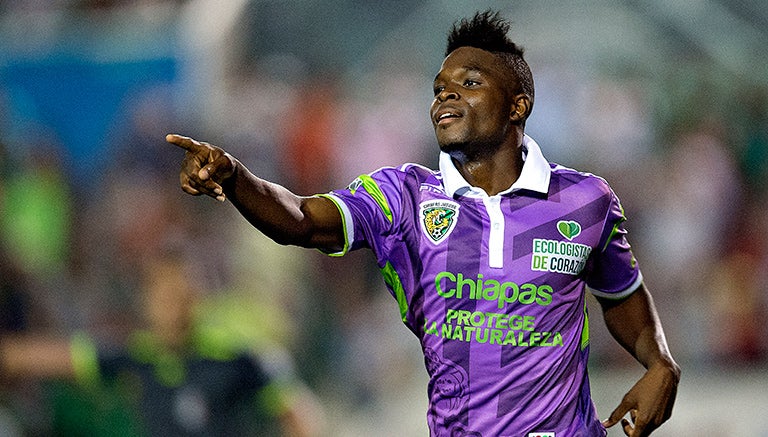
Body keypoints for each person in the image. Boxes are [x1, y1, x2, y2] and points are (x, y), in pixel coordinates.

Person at [166, 10, 680, 437]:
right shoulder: (404, 198)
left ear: (518, 106)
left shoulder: (584, 200)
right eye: (439, 88)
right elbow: (300, 219)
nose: (445, 96)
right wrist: (234, 177)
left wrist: (659, 361)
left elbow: (622, 295)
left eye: (469, 83)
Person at [0, 250, 323, 436]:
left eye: (179, 296)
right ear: (147, 303)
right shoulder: (138, 356)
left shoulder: (237, 358)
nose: (171, 307)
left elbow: (297, 411)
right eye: (162, 297)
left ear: (195, 299)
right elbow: (43, 357)